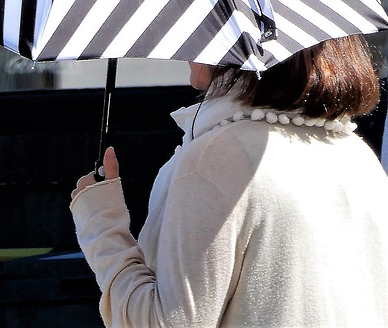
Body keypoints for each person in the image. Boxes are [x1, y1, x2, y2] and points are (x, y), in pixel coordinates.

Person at [70, 35, 388, 327]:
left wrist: (102, 228)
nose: (185, 39)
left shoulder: (216, 157)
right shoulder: (357, 157)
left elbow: (170, 322)